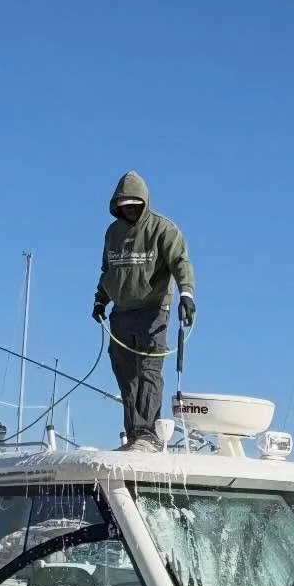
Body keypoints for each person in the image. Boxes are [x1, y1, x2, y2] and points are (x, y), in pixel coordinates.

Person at [92, 171, 196, 448]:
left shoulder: (163, 229)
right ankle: (135, 433)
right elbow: (108, 270)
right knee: (126, 375)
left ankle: (149, 434)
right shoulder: (113, 233)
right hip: (121, 313)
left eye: (134, 204)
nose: (129, 209)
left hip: (153, 311)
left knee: (148, 371)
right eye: (124, 205)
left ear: (144, 202)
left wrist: (187, 294)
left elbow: (180, 263)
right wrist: (100, 300)